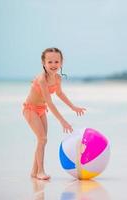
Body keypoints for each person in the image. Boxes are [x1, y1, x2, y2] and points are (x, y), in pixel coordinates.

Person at [23, 47, 86, 180]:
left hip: (41, 110)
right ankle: (40, 171)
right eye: (50, 62)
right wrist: (62, 121)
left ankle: (34, 172)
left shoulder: (57, 78)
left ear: (61, 63)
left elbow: (60, 93)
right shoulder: (42, 80)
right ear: (43, 63)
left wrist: (73, 107)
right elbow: (50, 103)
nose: (53, 65)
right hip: (30, 109)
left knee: (42, 140)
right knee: (42, 139)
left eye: (56, 62)